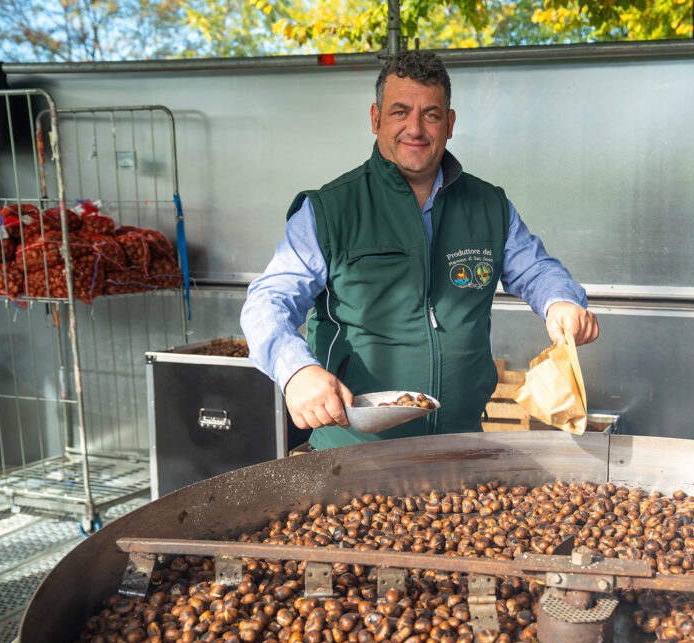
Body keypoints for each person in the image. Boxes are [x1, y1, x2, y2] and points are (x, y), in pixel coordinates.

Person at [240, 49, 598, 450]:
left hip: (458, 448)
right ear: (376, 119)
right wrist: (296, 371)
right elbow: (266, 303)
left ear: (449, 123)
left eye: (430, 114)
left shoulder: (488, 205)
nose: (415, 128)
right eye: (399, 112)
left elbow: (536, 271)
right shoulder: (328, 211)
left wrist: (561, 301)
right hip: (350, 452)